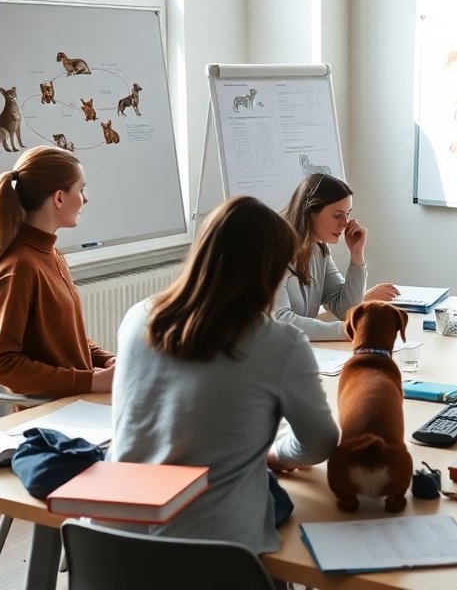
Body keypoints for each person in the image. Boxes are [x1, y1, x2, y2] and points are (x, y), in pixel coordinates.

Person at [109, 195, 339, 553]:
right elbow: (320, 442)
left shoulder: (138, 316)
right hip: (215, 554)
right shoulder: (278, 341)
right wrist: (277, 454)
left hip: (111, 544)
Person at [0, 145, 115, 397]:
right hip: (54, 414)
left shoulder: (50, 255)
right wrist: (91, 382)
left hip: (78, 401)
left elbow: (63, 339)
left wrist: (107, 361)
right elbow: (1, 364)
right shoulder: (19, 268)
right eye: (81, 189)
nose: (85, 198)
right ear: (59, 198)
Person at [275, 173, 399, 340]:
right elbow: (280, 321)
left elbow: (345, 309)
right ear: (310, 211)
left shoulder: (319, 249)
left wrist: (356, 255)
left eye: (348, 214)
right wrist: (343, 330)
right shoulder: (273, 250)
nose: (345, 223)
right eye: (337, 215)